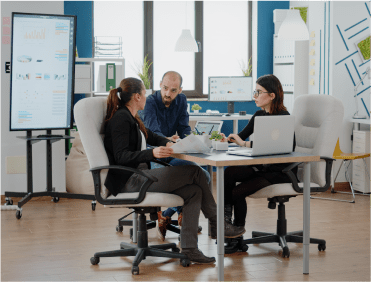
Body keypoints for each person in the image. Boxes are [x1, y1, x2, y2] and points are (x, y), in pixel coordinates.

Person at [103, 77, 244, 264]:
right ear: (137, 96)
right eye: (144, 93)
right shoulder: (121, 118)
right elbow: (121, 156)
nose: (147, 96)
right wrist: (151, 153)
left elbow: (151, 135)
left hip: (138, 176)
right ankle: (217, 224)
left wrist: (169, 142)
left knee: (193, 192)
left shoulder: (131, 116)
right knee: (196, 173)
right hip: (129, 181)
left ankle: (190, 248)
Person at [142, 71, 211, 241]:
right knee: (179, 182)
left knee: (204, 175)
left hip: (174, 151)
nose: (168, 93)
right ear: (160, 85)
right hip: (154, 154)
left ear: (180, 90)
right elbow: (153, 133)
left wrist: (191, 141)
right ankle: (184, 219)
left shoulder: (181, 100)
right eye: (165, 88)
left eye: (173, 90)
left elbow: (184, 128)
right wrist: (167, 141)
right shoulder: (150, 102)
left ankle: (166, 215)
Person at [222, 74, 297, 228]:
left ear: (271, 96)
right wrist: (227, 139)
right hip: (263, 168)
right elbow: (240, 137)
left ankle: (237, 231)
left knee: (238, 192)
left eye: (258, 92)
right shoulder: (259, 115)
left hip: (279, 172)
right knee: (229, 172)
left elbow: (288, 147)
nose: (254, 96)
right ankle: (226, 218)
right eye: (254, 92)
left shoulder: (283, 117)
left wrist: (245, 144)